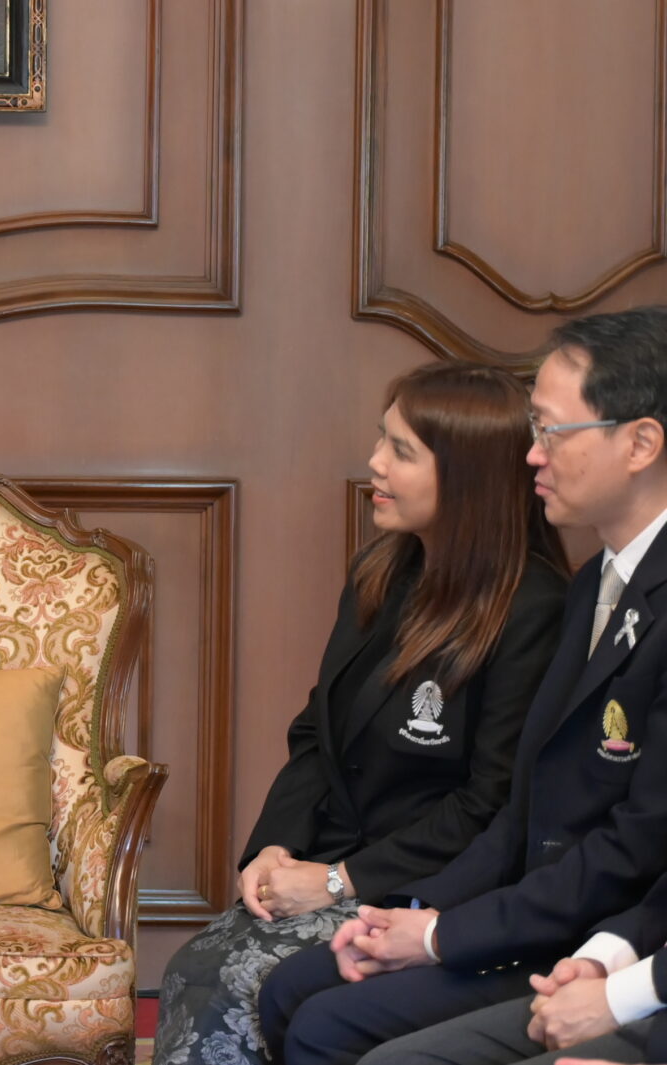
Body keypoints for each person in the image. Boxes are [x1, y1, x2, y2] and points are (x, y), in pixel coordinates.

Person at [260, 307, 667, 1065]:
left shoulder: (562, 596)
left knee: (328, 1025)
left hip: (592, 931)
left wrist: (443, 932)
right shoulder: (594, 584)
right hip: (549, 916)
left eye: (551, 431)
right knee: (293, 990)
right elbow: (525, 809)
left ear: (641, 443)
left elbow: (636, 842)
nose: (531, 455)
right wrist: (420, 912)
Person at [152, 362, 570, 1065]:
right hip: (328, 863)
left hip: (429, 889)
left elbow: (490, 805)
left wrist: (340, 880)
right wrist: (272, 848)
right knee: (196, 966)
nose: (375, 462)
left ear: (468, 477)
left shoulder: (533, 609)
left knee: (231, 977)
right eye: (382, 439)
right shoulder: (381, 571)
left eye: (401, 450)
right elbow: (317, 732)